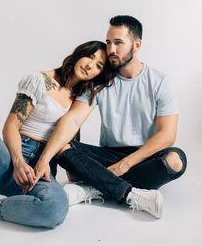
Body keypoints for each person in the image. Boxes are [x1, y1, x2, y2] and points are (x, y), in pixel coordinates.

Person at [38, 15, 187, 219]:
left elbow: (167, 135)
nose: (111, 50)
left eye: (118, 43)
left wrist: (125, 164)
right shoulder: (100, 82)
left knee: (176, 160)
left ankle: (95, 187)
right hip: (107, 154)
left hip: (145, 155)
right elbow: (72, 119)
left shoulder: (160, 82)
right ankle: (130, 195)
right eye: (108, 42)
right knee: (61, 146)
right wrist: (45, 158)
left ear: (137, 45)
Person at [0, 40, 114, 228]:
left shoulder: (81, 103)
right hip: (9, 161)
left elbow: (68, 144)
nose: (89, 65)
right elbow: (11, 126)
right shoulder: (40, 81)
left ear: (99, 74)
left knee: (56, 208)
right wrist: (19, 162)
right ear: (79, 53)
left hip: (40, 172)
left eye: (98, 65)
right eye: (90, 56)